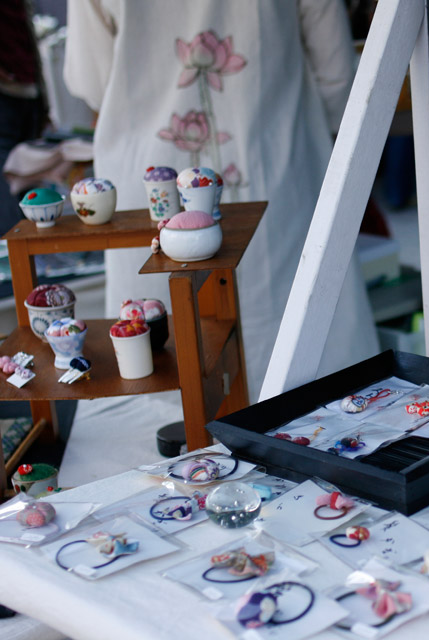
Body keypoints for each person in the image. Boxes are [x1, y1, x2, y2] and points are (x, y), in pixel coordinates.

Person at [63, 0, 379, 398]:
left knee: (159, 356)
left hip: (148, 173)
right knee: (301, 358)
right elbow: (335, 70)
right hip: (272, 158)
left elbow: (90, 80)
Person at [0, 0, 47, 236]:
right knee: (6, 177)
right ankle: (12, 248)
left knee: (26, 175)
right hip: (7, 91)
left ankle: (27, 245)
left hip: (26, 87)